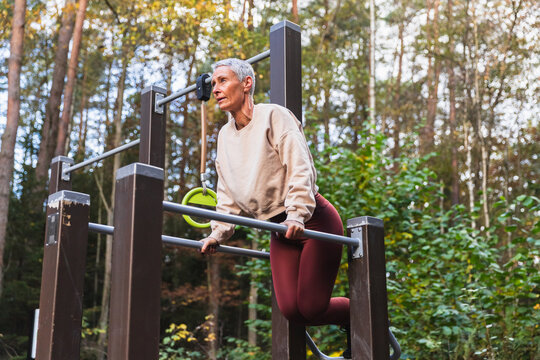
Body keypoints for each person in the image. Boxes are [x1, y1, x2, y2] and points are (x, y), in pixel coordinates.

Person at [200, 58, 351, 356]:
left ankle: (360, 313)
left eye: (223, 81)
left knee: (311, 305)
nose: (216, 89)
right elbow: (226, 191)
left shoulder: (274, 117)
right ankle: (352, 319)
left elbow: (300, 167)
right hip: (276, 228)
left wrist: (296, 214)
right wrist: (217, 234)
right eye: (213, 83)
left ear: (246, 83)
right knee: (292, 311)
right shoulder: (225, 137)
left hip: (312, 220)